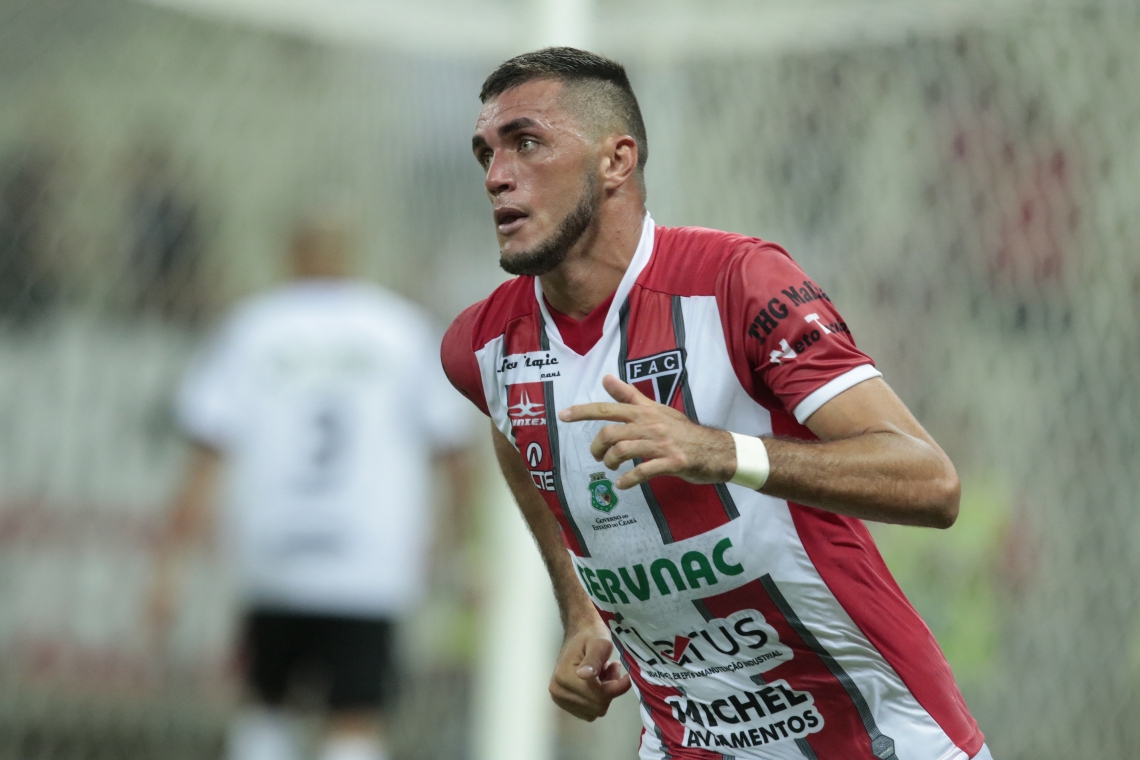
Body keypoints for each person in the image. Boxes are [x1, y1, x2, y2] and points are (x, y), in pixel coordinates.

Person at [442, 48, 990, 759]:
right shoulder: (481, 346)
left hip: (878, 736)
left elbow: (931, 483)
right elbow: (511, 428)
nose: (496, 175)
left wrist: (721, 451)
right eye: (485, 152)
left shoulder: (740, 284)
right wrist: (579, 607)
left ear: (616, 161)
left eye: (526, 143)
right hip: (688, 741)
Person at [153, 210, 473, 760]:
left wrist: (168, 565)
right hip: (368, 562)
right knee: (356, 714)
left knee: (266, 705)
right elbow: (453, 449)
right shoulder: (399, 328)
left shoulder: (253, 327)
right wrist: (457, 542)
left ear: (290, 254)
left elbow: (207, 450)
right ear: (351, 254)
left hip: (274, 553)